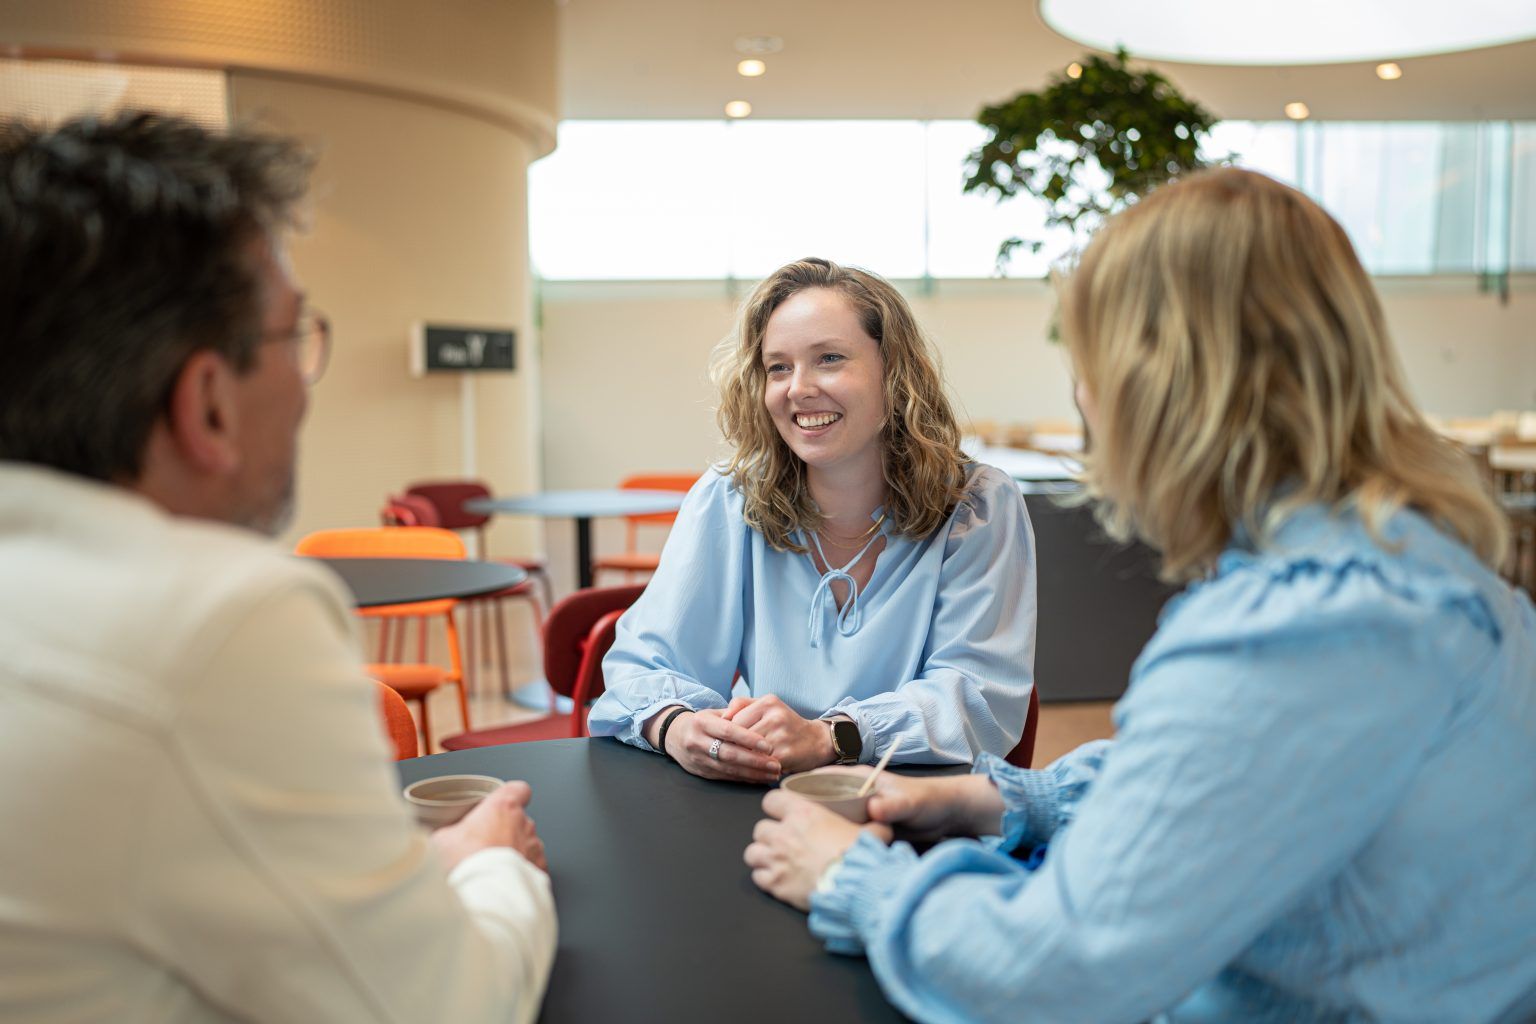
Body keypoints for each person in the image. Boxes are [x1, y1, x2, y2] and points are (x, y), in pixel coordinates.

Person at [744, 169, 1536, 1022]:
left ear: (1159, 379)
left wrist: (850, 877)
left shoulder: (1302, 627)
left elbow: (1062, 971)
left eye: (1086, 362)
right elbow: (1237, 772)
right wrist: (1014, 800)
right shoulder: (1408, 562)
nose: (1083, 396)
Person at [0, 112, 555, 1023]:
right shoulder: (221, 623)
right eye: (294, 336)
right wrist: (489, 860)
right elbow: (449, 1007)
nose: (305, 379)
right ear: (208, 402)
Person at [587, 258, 1036, 783]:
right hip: (761, 799)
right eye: (778, 367)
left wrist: (831, 737)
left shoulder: (977, 506)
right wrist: (678, 727)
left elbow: (976, 696)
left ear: (895, 372)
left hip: (917, 807)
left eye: (828, 358)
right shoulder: (729, 500)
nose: (798, 388)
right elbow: (643, 667)